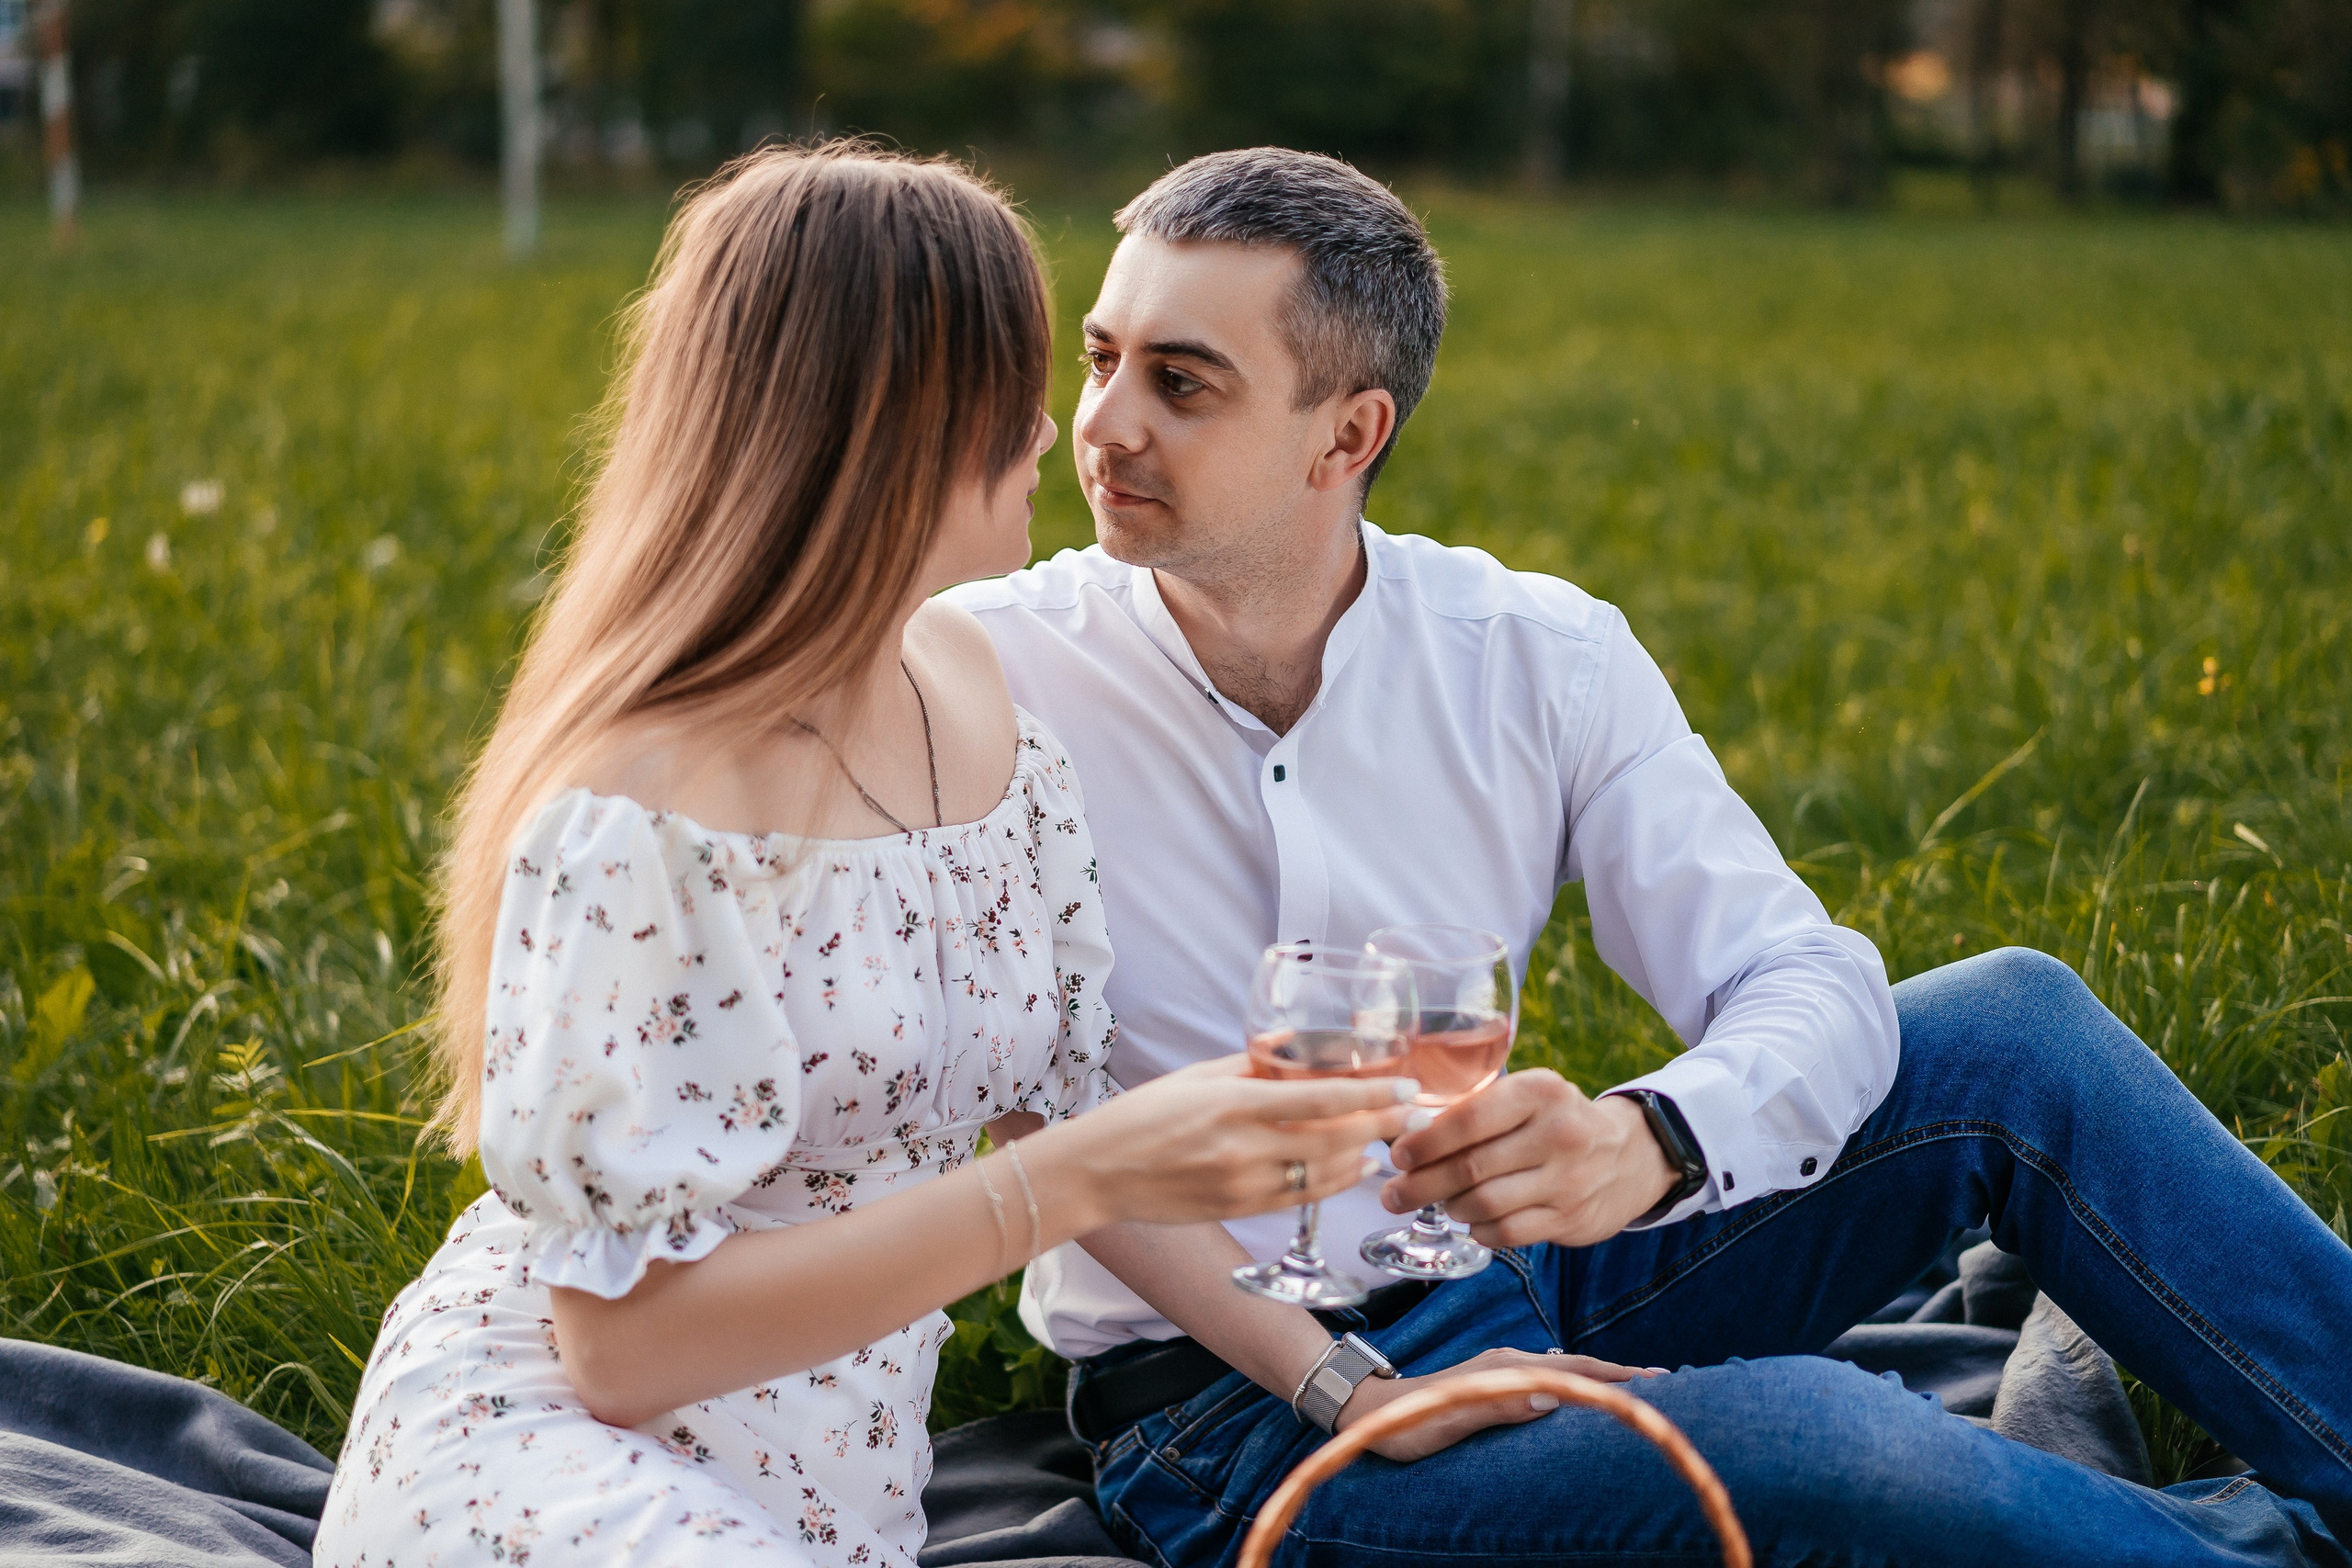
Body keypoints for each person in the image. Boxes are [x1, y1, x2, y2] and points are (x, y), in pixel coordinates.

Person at [946, 147, 2352, 1565]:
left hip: (1528, 1274)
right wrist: (1347, 1380)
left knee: (2013, 1028)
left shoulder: (1530, 656)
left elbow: (1800, 977)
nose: (1102, 425)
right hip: (1242, 1406)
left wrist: (1654, 1140)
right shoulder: (983, 681)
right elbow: (1029, 1122)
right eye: (1104, 357)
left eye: (1181, 384)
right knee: (1827, 1447)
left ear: (1347, 434)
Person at [312, 143, 1430, 1568]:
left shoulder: (981, 702)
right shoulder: (644, 804)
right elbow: (620, 1353)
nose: (1054, 433)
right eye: (1009, 387)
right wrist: (1063, 1186)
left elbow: (1057, 1120)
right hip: (547, 1462)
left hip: (836, 1495)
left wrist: (1352, 1389)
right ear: (873, 426)